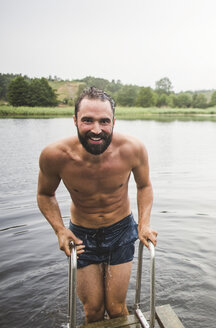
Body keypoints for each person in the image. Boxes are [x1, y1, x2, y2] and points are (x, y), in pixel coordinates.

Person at [37, 87, 157, 323]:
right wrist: (60, 230)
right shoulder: (55, 155)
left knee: (116, 308)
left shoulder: (132, 149)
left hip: (121, 230)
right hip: (82, 235)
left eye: (104, 121)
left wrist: (144, 225)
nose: (96, 129)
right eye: (87, 120)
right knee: (92, 310)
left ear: (114, 121)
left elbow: (144, 186)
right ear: (74, 120)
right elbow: (44, 194)